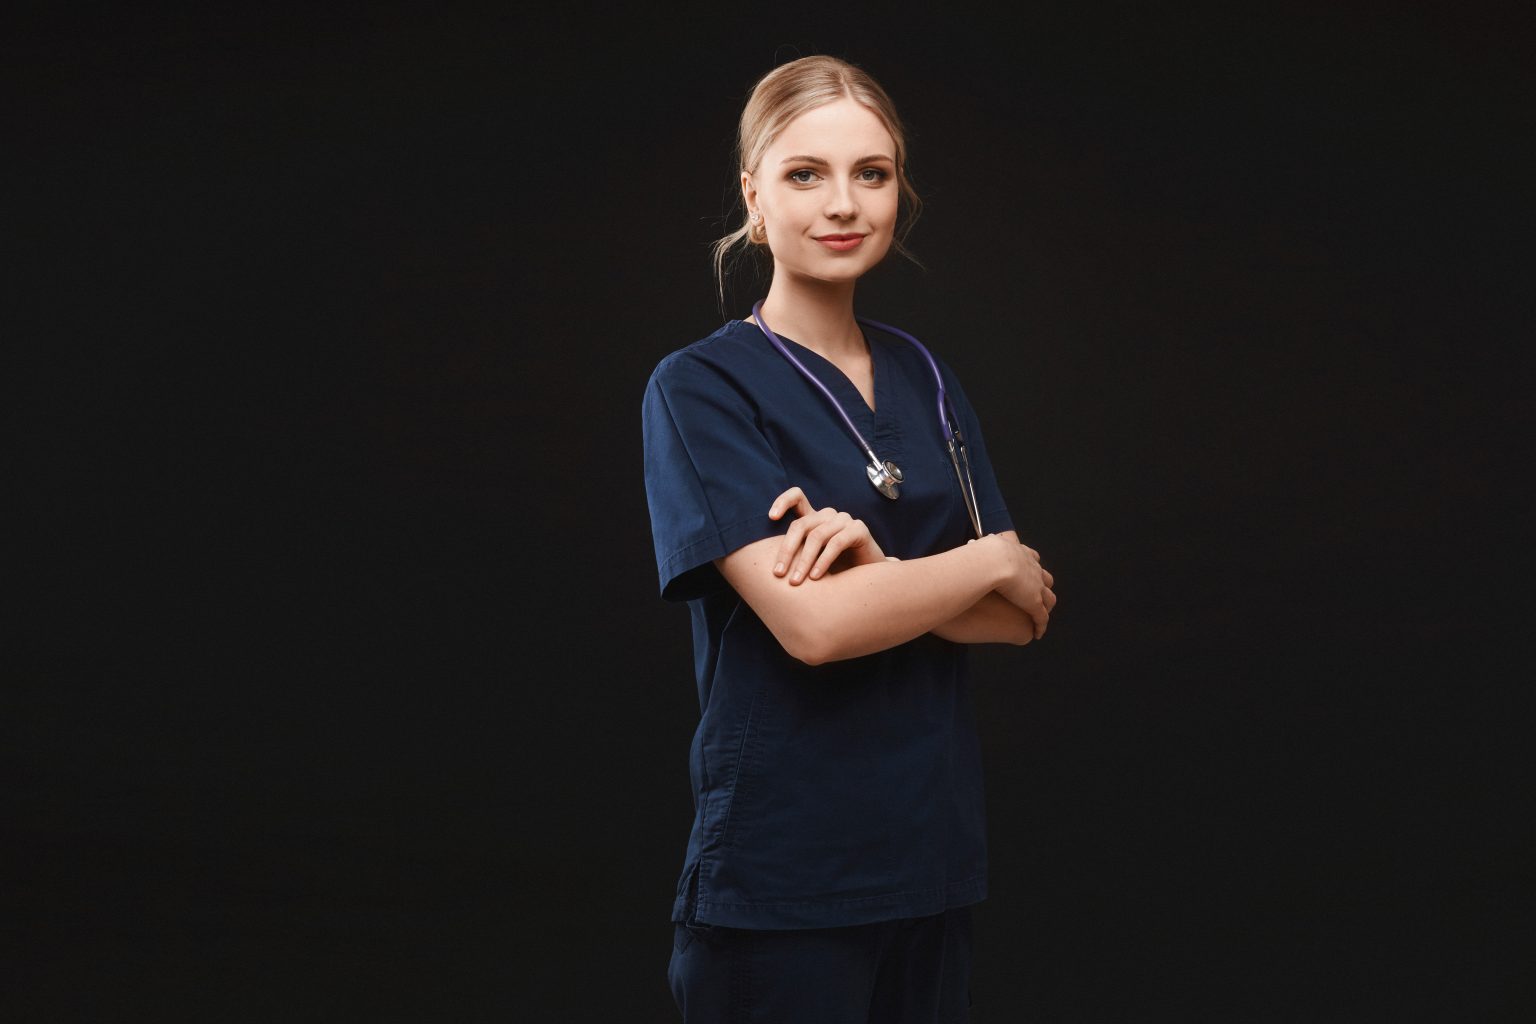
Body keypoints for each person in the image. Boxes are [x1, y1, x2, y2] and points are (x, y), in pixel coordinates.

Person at [641, 55, 1056, 1023]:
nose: (844, 203)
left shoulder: (926, 376)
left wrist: (894, 574)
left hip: (931, 866)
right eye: (805, 173)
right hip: (784, 879)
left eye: (871, 173)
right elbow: (815, 629)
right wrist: (984, 559)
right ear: (753, 192)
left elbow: (1025, 615)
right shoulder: (701, 387)